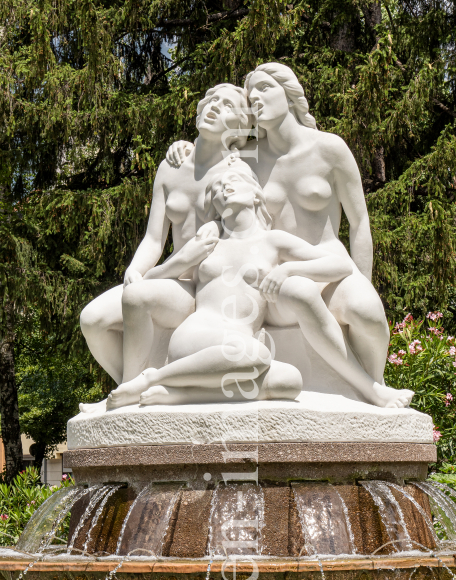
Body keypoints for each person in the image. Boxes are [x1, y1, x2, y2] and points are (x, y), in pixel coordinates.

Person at [166, 64, 411, 408]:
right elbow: (207, 163)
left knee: (366, 311)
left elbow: (360, 224)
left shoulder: (330, 149)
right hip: (274, 277)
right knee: (297, 289)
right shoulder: (246, 158)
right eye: (251, 96)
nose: (256, 99)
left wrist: (363, 280)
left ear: (290, 93)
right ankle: (370, 388)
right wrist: (184, 148)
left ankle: (374, 385)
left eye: (266, 89)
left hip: (328, 267)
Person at [106, 169, 408, 410]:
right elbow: (150, 282)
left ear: (256, 194)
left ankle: (176, 394)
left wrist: (288, 269)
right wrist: (184, 258)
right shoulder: (209, 246)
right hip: (198, 336)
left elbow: (341, 267)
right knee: (256, 356)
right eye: (216, 190)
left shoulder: (274, 241)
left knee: (290, 381)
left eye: (234, 182)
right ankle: (152, 378)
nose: (223, 188)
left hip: (239, 343)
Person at [78, 83, 253, 411]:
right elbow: (155, 239)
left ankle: (127, 398)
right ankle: (131, 386)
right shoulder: (171, 167)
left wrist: (155, 275)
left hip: (198, 289)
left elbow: (214, 249)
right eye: (211, 99)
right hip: (164, 275)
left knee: (138, 295)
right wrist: (136, 268)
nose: (214, 106)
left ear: (240, 128)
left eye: (227, 105)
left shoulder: (236, 173)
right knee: (92, 320)